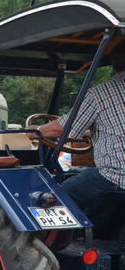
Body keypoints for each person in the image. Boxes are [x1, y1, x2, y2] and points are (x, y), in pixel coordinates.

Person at [30, 47, 125, 236]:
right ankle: (102, 233)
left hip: (117, 177)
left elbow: (63, 128)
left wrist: (34, 132)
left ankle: (56, 245)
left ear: (114, 62)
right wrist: (93, 132)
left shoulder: (101, 93)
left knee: (56, 196)